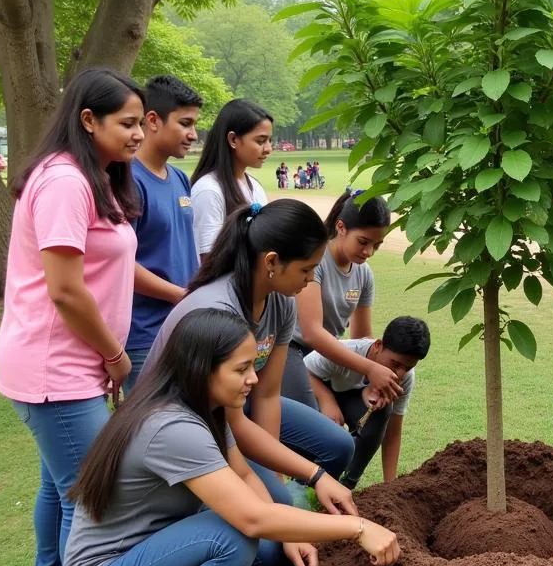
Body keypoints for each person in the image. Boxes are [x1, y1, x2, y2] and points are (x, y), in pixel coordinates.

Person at [64, 308, 400, 566]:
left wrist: (289, 534)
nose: (254, 379)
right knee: (231, 534)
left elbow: (244, 476)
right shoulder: (172, 428)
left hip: (143, 562)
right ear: (201, 368)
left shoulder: (203, 409)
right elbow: (250, 517)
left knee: (279, 557)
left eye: (253, 366)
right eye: (241, 369)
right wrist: (357, 527)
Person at [0, 69, 143, 566]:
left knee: (61, 485)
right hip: (52, 368)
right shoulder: (64, 182)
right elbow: (64, 289)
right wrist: (114, 355)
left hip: (68, 363)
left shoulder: (94, 177)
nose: (137, 133)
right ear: (88, 120)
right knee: (92, 493)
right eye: (126, 123)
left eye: (139, 122)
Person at [145, 199, 356, 498]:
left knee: (339, 446)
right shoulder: (219, 312)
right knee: (274, 510)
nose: (310, 280)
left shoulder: (281, 302)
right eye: (306, 270)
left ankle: (297, 508)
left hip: (235, 405)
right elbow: (234, 424)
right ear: (271, 262)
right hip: (192, 421)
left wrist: (276, 474)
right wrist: (291, 482)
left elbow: (267, 395)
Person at [281, 191, 403, 412]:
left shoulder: (364, 274)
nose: (369, 252)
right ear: (341, 227)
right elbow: (311, 333)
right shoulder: (315, 262)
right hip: (293, 350)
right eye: (363, 242)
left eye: (376, 245)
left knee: (376, 407)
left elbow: (361, 337)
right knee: (315, 418)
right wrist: (327, 396)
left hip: (330, 354)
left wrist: (370, 381)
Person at [125, 76, 202, 389]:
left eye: (195, 125)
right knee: (156, 428)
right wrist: (181, 295)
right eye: (184, 123)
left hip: (185, 325)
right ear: (153, 121)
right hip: (145, 335)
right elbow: (121, 265)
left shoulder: (181, 178)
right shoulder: (128, 180)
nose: (193, 134)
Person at [305, 316, 431, 489]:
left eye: (407, 368)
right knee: (329, 437)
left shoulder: (405, 378)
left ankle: (347, 483)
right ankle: (307, 480)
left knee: (385, 408)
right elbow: (301, 371)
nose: (399, 374)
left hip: (348, 398)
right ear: (378, 345)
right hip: (315, 393)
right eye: (395, 364)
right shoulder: (345, 351)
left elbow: (393, 431)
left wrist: (391, 485)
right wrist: (326, 400)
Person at [191, 99, 272, 256]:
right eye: (260, 141)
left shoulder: (255, 186)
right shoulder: (208, 190)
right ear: (233, 139)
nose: (268, 148)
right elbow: (208, 259)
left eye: (270, 140)